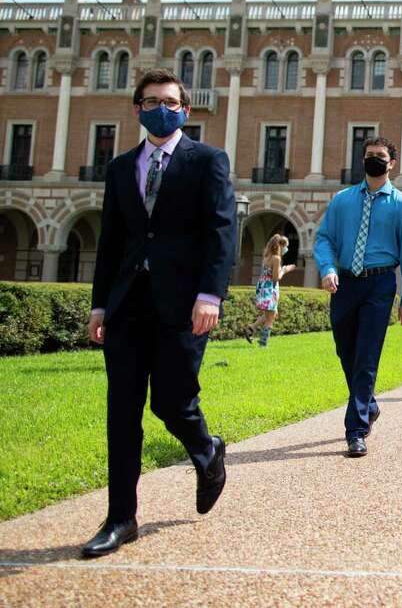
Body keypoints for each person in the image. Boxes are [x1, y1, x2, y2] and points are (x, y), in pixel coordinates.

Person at [83, 69, 236, 558]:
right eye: (151, 101)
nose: (160, 108)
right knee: (121, 411)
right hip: (128, 303)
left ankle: (208, 449)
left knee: (172, 401)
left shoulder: (208, 160)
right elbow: (110, 242)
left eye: (169, 101)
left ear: (185, 111)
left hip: (185, 304)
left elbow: (221, 232)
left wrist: (210, 297)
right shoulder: (120, 167)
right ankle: (120, 518)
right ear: (137, 110)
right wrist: (100, 302)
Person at [314, 136, 402, 458]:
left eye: (380, 156)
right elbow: (323, 239)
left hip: (380, 283)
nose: (374, 160)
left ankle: (356, 430)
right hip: (345, 283)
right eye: (369, 155)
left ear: (391, 164)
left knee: (366, 358)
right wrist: (328, 268)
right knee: (345, 352)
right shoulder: (342, 200)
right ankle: (369, 404)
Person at [247, 233, 296, 347]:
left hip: (263, 287)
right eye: (285, 246)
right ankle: (263, 343)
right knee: (271, 317)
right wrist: (285, 270)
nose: (286, 249)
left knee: (272, 314)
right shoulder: (276, 258)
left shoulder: (266, 256)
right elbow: (275, 278)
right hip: (270, 288)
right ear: (280, 246)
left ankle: (251, 328)